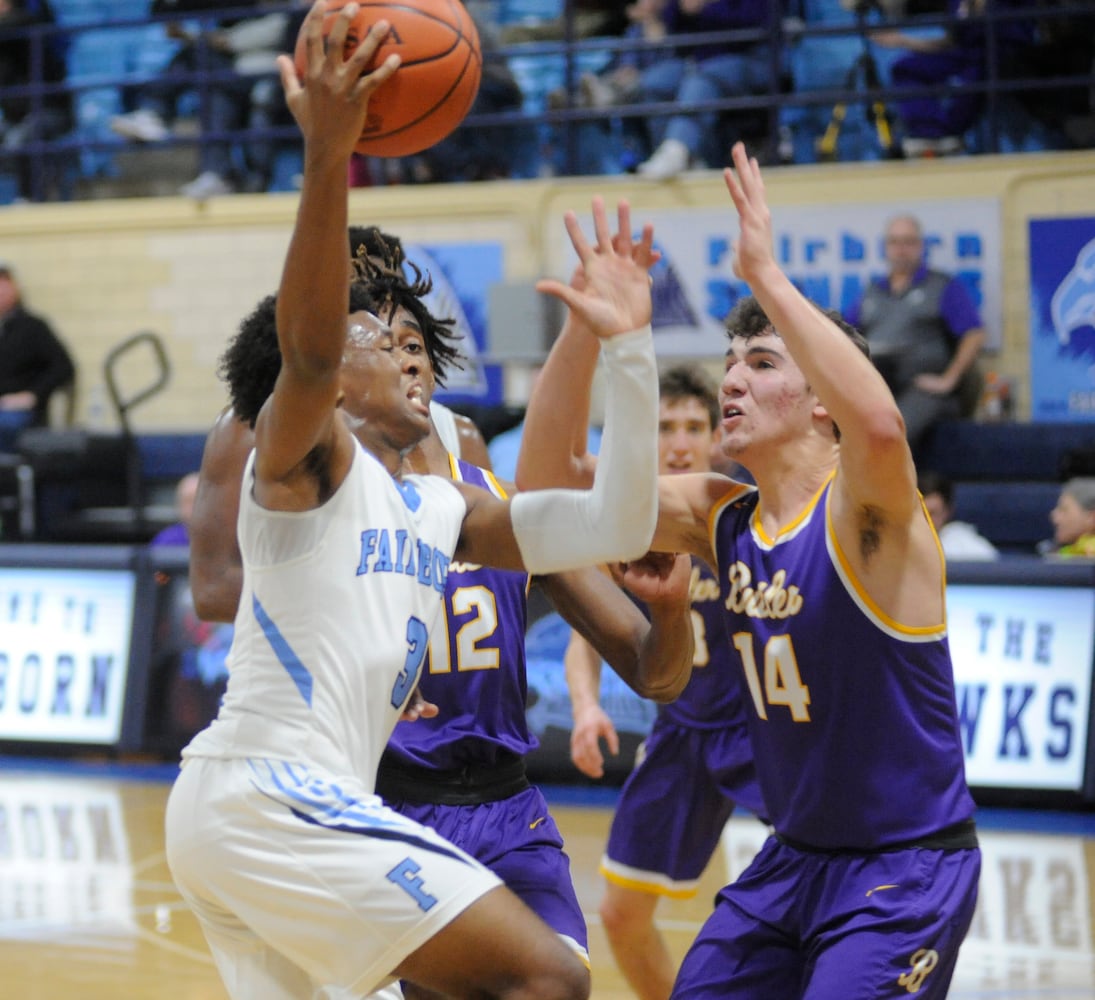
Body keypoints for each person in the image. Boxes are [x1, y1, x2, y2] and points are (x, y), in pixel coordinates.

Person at [164, 7, 664, 998]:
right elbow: (304, 349)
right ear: (319, 392)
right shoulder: (300, 471)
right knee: (547, 983)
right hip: (270, 791)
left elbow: (613, 523)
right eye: (371, 330)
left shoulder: (437, 506)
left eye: (408, 333)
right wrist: (328, 158)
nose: (401, 342)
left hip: (275, 811)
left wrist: (632, 353)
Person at [517, 141, 981, 998]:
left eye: (760, 364)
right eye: (731, 362)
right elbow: (542, 500)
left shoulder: (868, 511)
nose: (732, 379)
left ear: (819, 401)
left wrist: (765, 275)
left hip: (901, 872)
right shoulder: (719, 513)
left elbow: (878, 426)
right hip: (790, 861)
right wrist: (591, 335)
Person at [562, 364, 765, 1000]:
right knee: (620, 916)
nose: (679, 441)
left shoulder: (742, 510)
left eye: (692, 426)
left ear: (714, 436)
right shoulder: (626, 523)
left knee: (819, 886)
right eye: (664, 427)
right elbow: (583, 637)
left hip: (762, 734)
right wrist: (587, 708)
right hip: (681, 734)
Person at [844, 213, 986, 459]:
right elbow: (842, 335)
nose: (901, 250)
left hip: (922, 386)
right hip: (877, 385)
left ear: (920, 246)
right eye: (895, 242)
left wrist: (948, 380)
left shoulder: (942, 286)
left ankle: (883, 495)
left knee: (891, 432)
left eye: (908, 242)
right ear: (886, 248)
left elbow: (974, 334)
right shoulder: (871, 291)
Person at [633, 0, 772, 180]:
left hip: (751, 57)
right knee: (653, 84)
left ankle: (679, 149)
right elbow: (674, 23)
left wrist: (708, 7)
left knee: (701, 81)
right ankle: (680, 158)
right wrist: (677, 8)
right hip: (699, 60)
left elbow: (755, 19)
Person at [0, 0, 72, 202]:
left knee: (23, 139)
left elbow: (25, 21)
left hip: (51, 110)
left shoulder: (28, 23)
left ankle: (29, 198)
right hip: (14, 116)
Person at [0, 260, 74, 450]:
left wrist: (32, 395)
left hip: (16, 410)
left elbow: (63, 367)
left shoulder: (33, 327)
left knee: (5, 424)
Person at [917, 468, 998, 561]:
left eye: (932, 513)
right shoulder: (899, 545)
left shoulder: (965, 543)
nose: (926, 520)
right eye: (921, 513)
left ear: (947, 511)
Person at [1046, 477, 1095, 558]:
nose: (1054, 516)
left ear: (1092, 517)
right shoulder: (1063, 552)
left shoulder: (1089, 554)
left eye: (1064, 510)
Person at [151, 470, 200, 546]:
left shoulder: (222, 540)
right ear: (179, 505)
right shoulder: (166, 540)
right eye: (189, 501)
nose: (194, 506)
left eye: (198, 499)